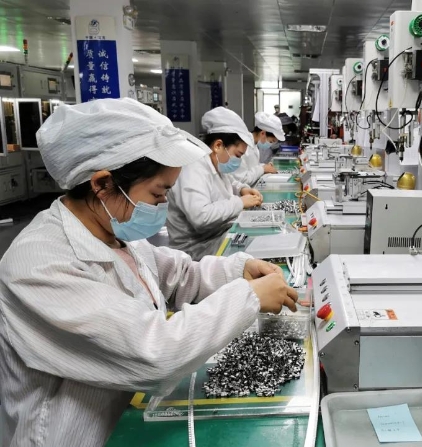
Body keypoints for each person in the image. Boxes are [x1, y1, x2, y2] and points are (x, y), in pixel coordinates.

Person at [0, 98, 298, 447]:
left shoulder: (112, 229)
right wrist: (247, 298)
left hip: (125, 414)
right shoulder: (38, 266)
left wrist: (238, 269)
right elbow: (154, 352)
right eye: (159, 193)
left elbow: (178, 276)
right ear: (102, 184)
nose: (164, 205)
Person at [167, 107, 263, 261]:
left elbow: (227, 181)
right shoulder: (192, 168)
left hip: (215, 236)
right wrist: (240, 202)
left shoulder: (213, 161)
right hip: (195, 250)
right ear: (218, 145)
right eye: (238, 155)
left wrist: (242, 189)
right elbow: (201, 217)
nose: (238, 161)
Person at [232, 112, 285, 185]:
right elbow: (243, 179)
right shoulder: (244, 147)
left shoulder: (254, 145)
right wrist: (263, 169)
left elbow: (252, 167)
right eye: (271, 141)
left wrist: (265, 166)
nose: (270, 144)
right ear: (262, 133)